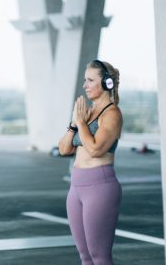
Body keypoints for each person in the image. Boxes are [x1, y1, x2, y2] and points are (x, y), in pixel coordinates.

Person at [58, 60, 123, 265]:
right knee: (85, 257)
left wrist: (81, 124)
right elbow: (64, 149)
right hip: (76, 188)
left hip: (100, 188)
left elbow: (96, 149)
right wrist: (73, 125)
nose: (85, 85)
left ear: (106, 83)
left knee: (100, 257)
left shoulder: (112, 114)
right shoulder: (85, 114)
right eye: (84, 80)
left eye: (90, 80)